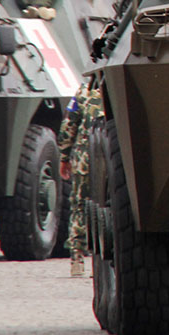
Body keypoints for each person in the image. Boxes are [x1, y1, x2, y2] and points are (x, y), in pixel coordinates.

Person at [58, 78, 103, 278]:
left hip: (84, 159)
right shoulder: (121, 88)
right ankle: (101, 261)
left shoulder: (84, 91)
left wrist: (64, 157)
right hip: (111, 161)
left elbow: (69, 125)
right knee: (107, 209)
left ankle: (77, 259)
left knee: (79, 208)